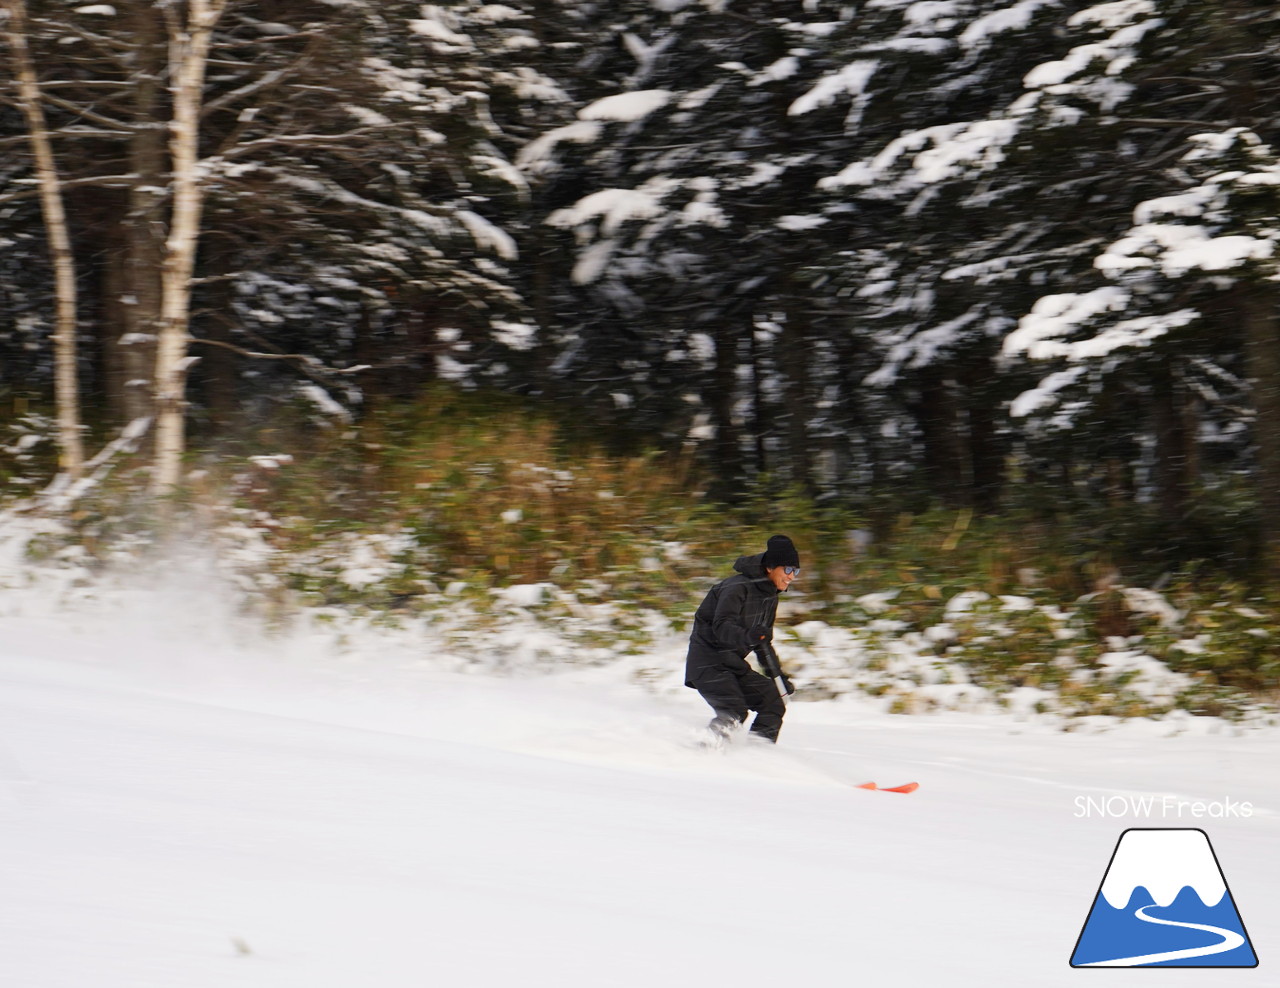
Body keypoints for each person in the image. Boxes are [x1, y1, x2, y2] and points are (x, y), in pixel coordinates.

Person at [684, 534, 800, 743]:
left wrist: (778, 676)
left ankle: (755, 755)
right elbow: (722, 627)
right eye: (788, 570)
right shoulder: (736, 587)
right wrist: (748, 635)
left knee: (773, 701)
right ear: (770, 567)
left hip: (733, 665)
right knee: (734, 711)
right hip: (707, 663)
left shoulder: (770, 596)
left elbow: (763, 641)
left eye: (796, 571)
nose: (792, 576)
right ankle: (701, 753)